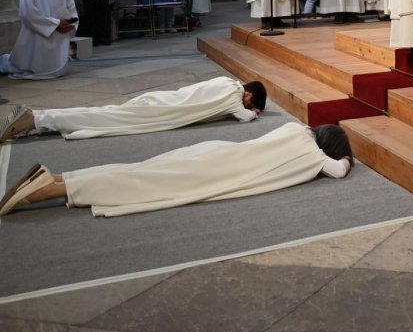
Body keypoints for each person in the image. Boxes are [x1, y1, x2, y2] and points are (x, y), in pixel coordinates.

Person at [0, 122, 353, 218]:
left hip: (215, 153)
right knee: (140, 184)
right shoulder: (316, 158)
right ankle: (49, 189)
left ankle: (59, 177)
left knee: (139, 169)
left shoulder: (295, 129)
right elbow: (338, 171)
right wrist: (348, 158)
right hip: (216, 174)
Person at [0, 76, 268, 142]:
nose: (248, 107)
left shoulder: (224, 80)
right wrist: (253, 114)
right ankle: (35, 119)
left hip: (161, 100)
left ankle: (37, 119)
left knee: (105, 113)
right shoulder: (234, 97)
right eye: (251, 103)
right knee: (103, 118)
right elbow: (243, 117)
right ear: (248, 94)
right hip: (159, 113)